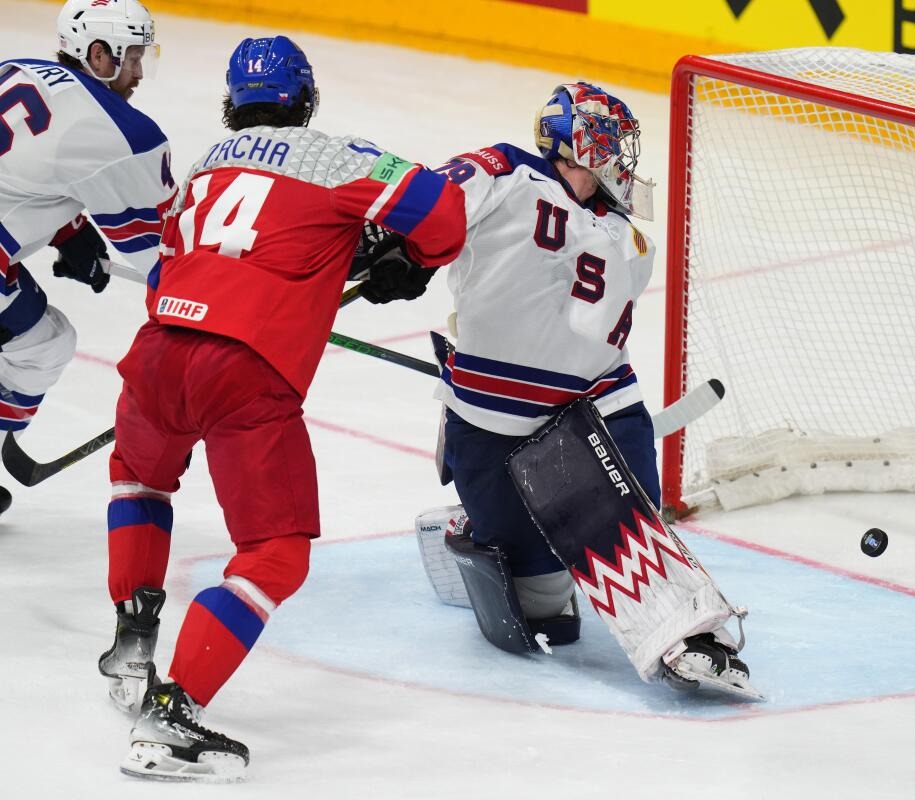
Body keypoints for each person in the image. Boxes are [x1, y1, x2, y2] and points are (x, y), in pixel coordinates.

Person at [99, 35, 466, 782]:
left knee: (139, 480)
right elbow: (443, 211)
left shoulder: (205, 164)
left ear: (232, 105)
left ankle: (132, 639)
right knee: (275, 552)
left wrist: (341, 256)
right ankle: (173, 713)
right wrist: (407, 260)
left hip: (158, 348)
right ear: (306, 101)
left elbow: (175, 262)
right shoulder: (336, 157)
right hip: (244, 372)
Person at [400, 82, 754, 696]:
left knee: (631, 526)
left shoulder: (629, 237)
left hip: (586, 412)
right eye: (617, 144)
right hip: (488, 418)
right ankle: (474, 520)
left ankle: (685, 627)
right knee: (545, 616)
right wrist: (396, 246)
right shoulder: (506, 169)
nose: (626, 160)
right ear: (589, 146)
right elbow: (425, 198)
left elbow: (573, 335)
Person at [0, 0, 173, 507]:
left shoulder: (18, 69)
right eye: (132, 58)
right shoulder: (120, 132)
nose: (140, 73)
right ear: (98, 55)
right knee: (42, 344)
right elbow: (165, 257)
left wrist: (68, 229)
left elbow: (21, 173)